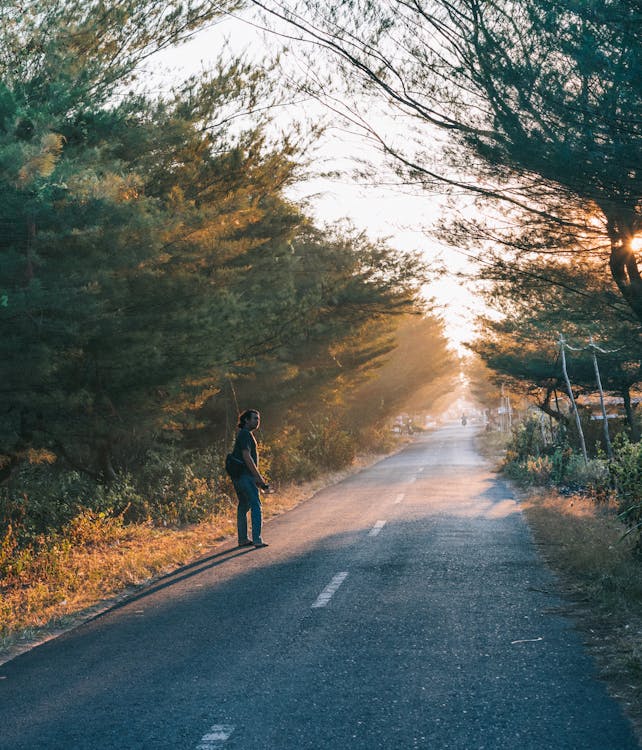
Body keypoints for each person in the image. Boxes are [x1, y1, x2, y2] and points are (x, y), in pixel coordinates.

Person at [231, 409, 269, 548]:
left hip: (238, 476)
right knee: (255, 505)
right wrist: (258, 477)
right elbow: (247, 457)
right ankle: (257, 540)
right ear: (246, 420)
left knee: (243, 506)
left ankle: (243, 539)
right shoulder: (246, 435)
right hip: (245, 476)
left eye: (258, 419)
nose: (257, 421)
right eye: (254, 418)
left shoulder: (242, 434)